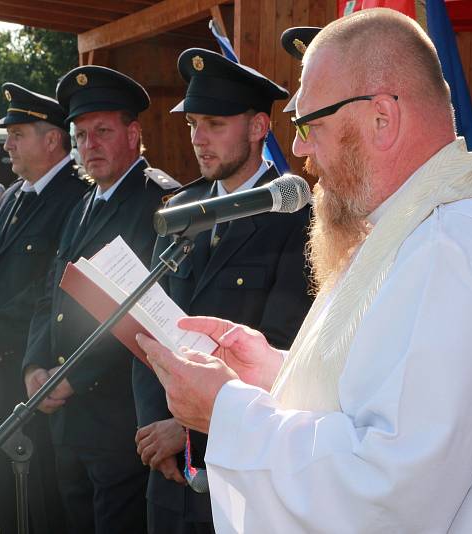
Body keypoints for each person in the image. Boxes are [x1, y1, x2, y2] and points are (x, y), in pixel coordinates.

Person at [137, 9, 472, 533]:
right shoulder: (416, 230)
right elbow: (378, 397)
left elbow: (386, 494)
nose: (300, 149)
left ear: (382, 118)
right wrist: (273, 372)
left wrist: (228, 413)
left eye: (310, 124)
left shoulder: (451, 251)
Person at [132, 48, 313, 533]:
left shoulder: (295, 218)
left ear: (258, 128)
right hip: (168, 472)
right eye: (193, 124)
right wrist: (158, 428)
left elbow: (281, 346)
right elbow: (147, 328)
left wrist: (187, 431)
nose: (198, 138)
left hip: (239, 471)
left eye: (214, 123)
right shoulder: (181, 210)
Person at [22, 65, 179, 533]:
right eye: (82, 135)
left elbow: (149, 314)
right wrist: (33, 364)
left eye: (103, 132)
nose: (90, 145)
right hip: (68, 419)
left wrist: (73, 378)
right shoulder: (82, 205)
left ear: (134, 134)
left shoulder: (161, 205)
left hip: (118, 417)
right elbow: (52, 292)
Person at [0, 82, 88, 533]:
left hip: (41, 376)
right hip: (2, 375)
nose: (7, 143)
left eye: (18, 134)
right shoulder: (14, 194)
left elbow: (50, 289)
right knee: (12, 501)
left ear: (52, 139)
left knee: (44, 501)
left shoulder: (75, 196)